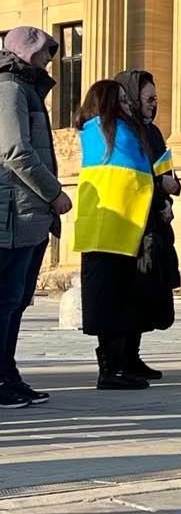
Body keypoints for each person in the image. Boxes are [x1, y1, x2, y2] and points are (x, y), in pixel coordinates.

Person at [0, 27, 69, 409]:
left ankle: (8, 374)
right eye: (45, 52)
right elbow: (15, 152)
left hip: (25, 212)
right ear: (27, 53)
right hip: (13, 212)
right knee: (6, 301)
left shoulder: (24, 88)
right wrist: (53, 192)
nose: (50, 60)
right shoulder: (10, 87)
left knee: (16, 300)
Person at [74, 79, 158, 390]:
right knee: (110, 301)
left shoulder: (117, 130)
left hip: (123, 227)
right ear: (107, 103)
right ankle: (110, 369)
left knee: (120, 300)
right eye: (121, 99)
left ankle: (120, 365)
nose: (127, 103)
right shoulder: (106, 131)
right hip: (110, 228)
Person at [114, 69, 180, 381]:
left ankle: (134, 355)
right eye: (149, 99)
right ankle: (118, 358)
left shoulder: (153, 132)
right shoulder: (120, 131)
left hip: (154, 221)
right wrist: (160, 186)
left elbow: (169, 174)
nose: (154, 104)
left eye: (156, 99)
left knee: (147, 291)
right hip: (128, 223)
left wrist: (168, 196)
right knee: (126, 292)